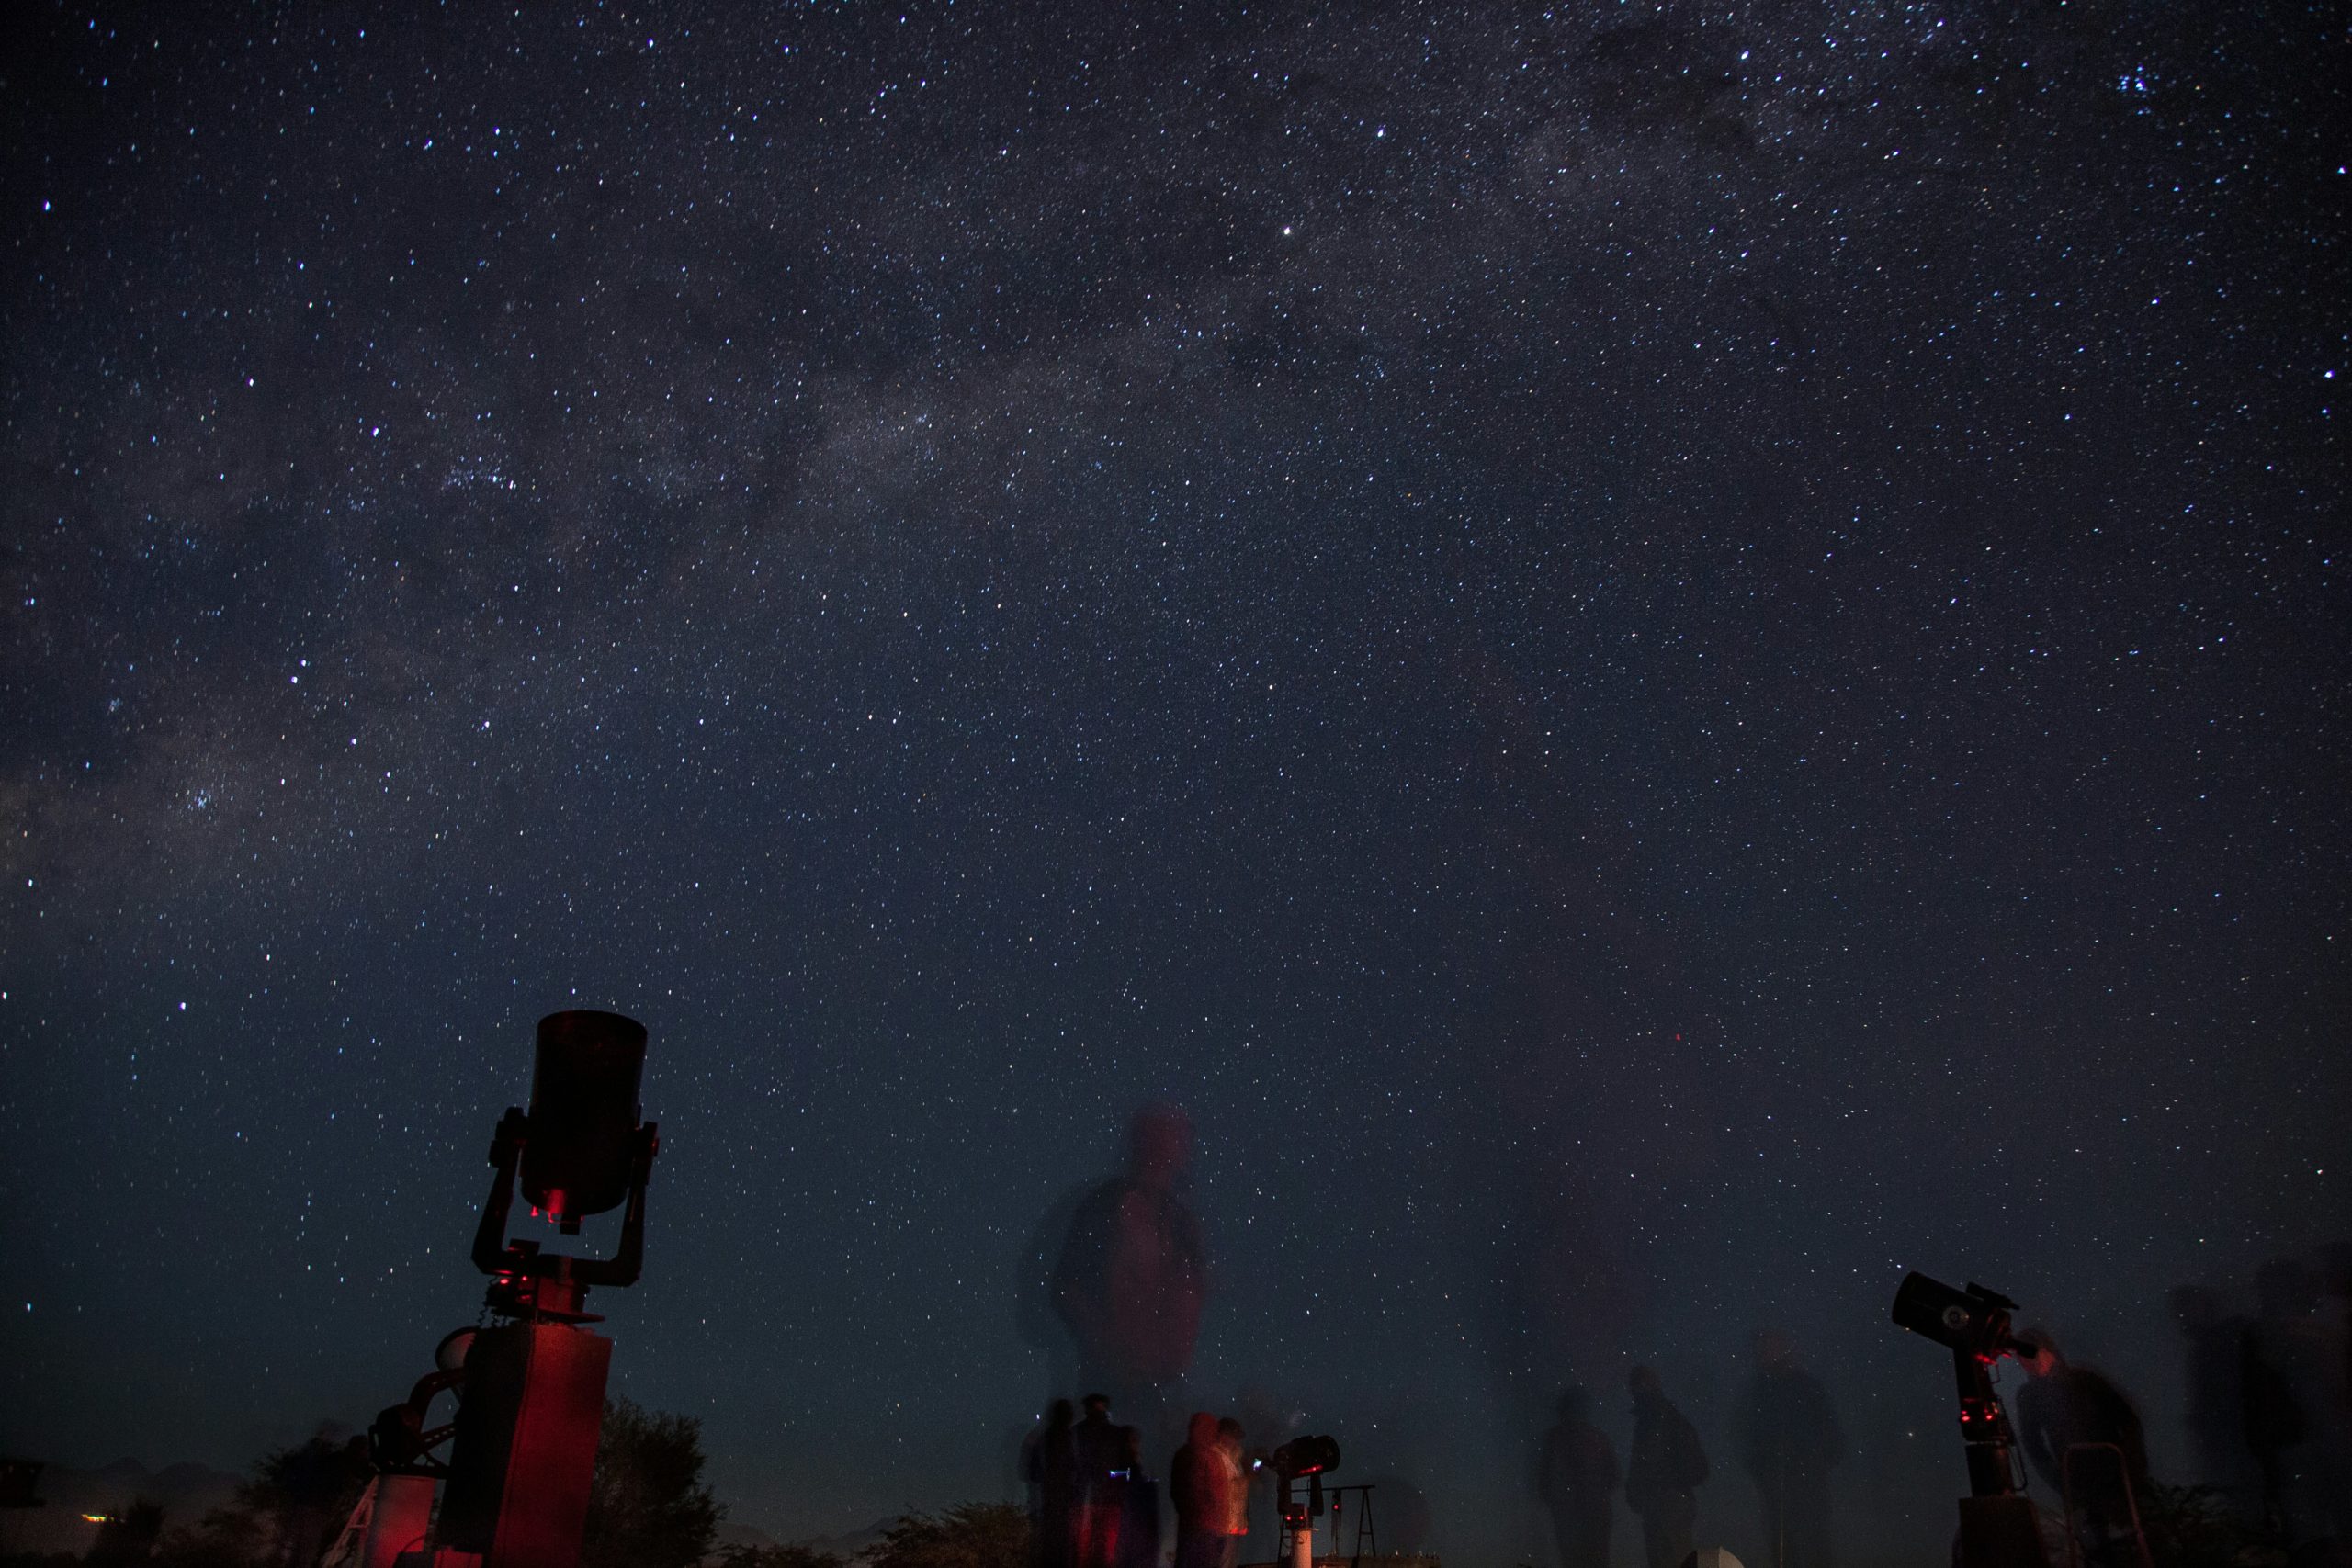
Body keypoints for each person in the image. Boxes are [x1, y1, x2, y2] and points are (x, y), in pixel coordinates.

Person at [1052, 1107, 1210, 1451]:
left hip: (1161, 1387)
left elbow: (1194, 1290)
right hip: (1110, 1382)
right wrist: (1110, 1343)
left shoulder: (1179, 1221)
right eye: (1159, 1140)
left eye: (1175, 1141)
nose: (1169, 1152)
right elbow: (1066, 1286)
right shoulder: (1103, 1207)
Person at [2013, 1331, 2150, 1568]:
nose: (2027, 1363)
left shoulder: (2085, 1380)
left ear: (2048, 1351)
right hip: (2076, 1477)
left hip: (2114, 1471)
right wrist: (2058, 1479)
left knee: (2132, 1540)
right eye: (2021, 1359)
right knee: (2094, 1547)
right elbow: (2033, 1445)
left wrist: (2130, 1461)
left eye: (2030, 1355)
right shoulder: (2029, 1397)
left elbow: (2127, 1419)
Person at [1734, 1331, 1843, 1568]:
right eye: (1761, 1348)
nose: (1762, 1353)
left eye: (1768, 1347)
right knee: (1785, 1551)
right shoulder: (1761, 1391)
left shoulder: (1805, 1388)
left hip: (1807, 1488)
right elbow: (1751, 1440)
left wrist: (1808, 1462)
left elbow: (1832, 1440)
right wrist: (1763, 1471)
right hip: (1778, 1490)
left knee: (1814, 1548)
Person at [1625, 1366, 1708, 1568]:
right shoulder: (1651, 1423)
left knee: (1675, 1558)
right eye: (1636, 1386)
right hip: (1659, 1503)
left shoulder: (1668, 1421)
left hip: (1671, 1502)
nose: (1638, 1391)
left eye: (1641, 1385)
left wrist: (1666, 1484)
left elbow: (1698, 1468)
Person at [1535, 1386, 1618, 1568]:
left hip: (1580, 1513)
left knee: (1581, 1559)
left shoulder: (1556, 1438)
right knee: (1592, 1559)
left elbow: (1544, 1479)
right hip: (1586, 1512)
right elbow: (1614, 1476)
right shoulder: (1595, 1437)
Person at [1071, 1394, 1132, 1568]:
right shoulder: (1116, 1434)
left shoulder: (1076, 1433)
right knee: (1106, 1549)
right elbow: (1126, 1466)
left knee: (1082, 1548)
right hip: (1108, 1500)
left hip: (1084, 1498)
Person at [1026, 1400, 1079, 1568]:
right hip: (1063, 1502)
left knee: (1049, 1548)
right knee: (1062, 1549)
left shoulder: (1042, 1438)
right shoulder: (1069, 1439)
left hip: (1047, 1501)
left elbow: (1032, 1473)